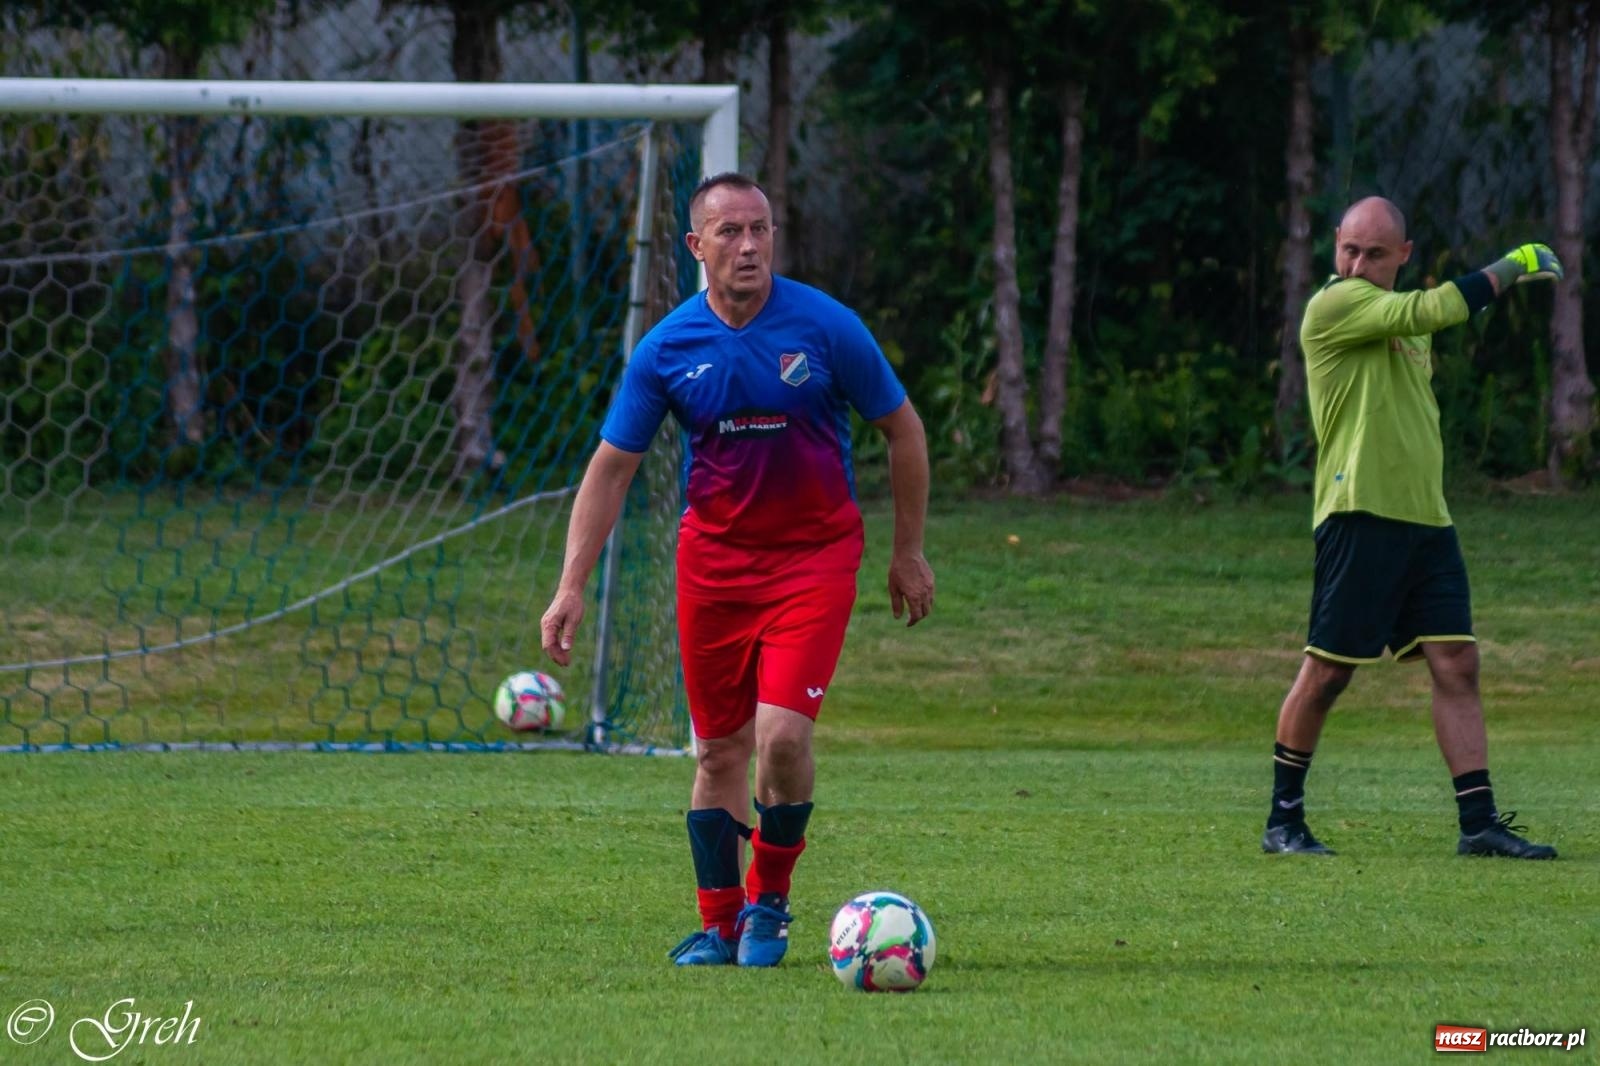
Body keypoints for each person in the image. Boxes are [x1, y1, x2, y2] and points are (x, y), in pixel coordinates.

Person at [540, 172, 935, 965]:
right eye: (729, 232)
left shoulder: (827, 327)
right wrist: (570, 586)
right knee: (719, 752)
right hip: (714, 567)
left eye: (760, 229)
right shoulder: (667, 350)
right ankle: (718, 924)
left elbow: (904, 431)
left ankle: (771, 906)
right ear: (696, 247)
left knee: (782, 738)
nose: (748, 245)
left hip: (814, 562)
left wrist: (906, 551)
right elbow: (612, 467)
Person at [1263, 196, 1561, 860]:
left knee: (1458, 661)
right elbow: (1431, 308)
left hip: (1426, 518)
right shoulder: (1334, 305)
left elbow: (1423, 325)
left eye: (1374, 253)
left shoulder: (1403, 319)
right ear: (1335, 244)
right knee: (1328, 672)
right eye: (1349, 249)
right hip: (1358, 513)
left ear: (1404, 254)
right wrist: (1513, 266)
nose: (1358, 264)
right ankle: (1283, 820)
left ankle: (1478, 823)